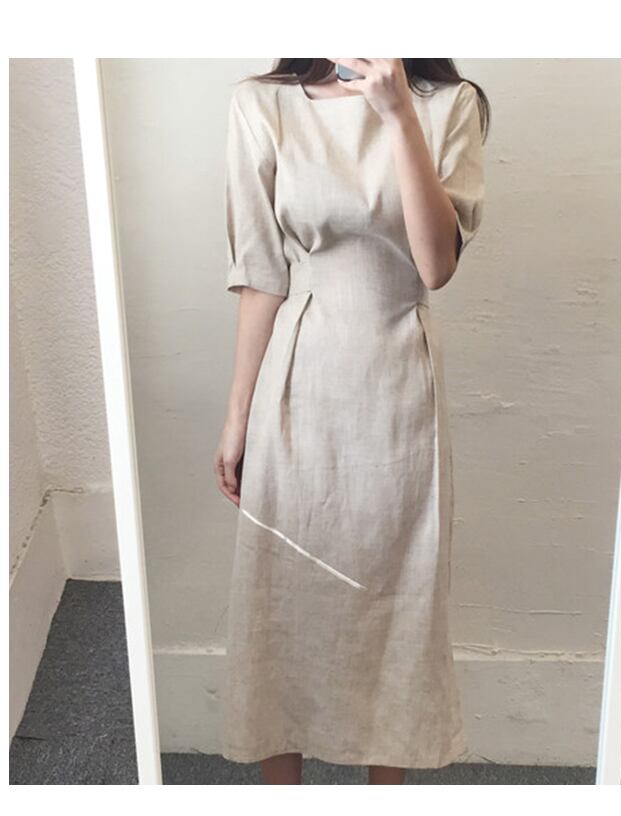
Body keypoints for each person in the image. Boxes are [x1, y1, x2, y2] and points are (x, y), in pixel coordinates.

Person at [213, 58, 487, 785]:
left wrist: (398, 114)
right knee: (280, 598)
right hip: (297, 379)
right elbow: (261, 274)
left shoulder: (449, 104)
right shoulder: (261, 104)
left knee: (399, 602)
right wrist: (237, 418)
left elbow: (436, 266)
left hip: (399, 383)